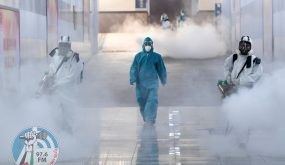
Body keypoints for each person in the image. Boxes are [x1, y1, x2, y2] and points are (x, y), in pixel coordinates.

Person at [130, 37, 167, 125]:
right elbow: (133, 68)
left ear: (152, 45)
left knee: (152, 100)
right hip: (141, 83)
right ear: (143, 45)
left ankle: (150, 118)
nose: (147, 46)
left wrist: (163, 79)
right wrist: (133, 78)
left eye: (149, 44)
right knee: (141, 100)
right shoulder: (138, 56)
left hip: (152, 83)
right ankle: (147, 117)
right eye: (146, 44)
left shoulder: (157, 57)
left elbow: (161, 69)